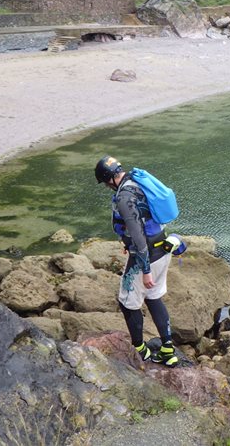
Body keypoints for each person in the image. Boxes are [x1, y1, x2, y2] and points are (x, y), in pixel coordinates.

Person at [95, 155, 180, 367]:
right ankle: (168, 350)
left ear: (109, 179)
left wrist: (145, 269)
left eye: (105, 184)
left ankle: (140, 350)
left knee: (127, 302)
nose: (107, 187)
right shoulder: (137, 181)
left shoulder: (124, 197)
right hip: (163, 249)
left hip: (146, 257)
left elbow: (138, 235)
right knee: (153, 297)